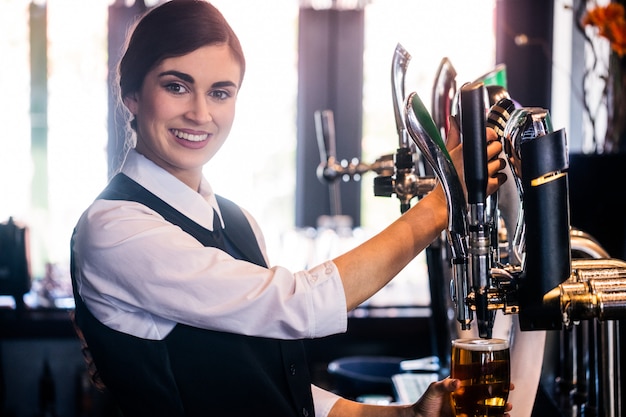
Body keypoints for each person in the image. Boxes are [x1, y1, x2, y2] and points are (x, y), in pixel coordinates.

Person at [70, 1, 510, 416]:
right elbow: (298, 307)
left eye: (220, 92)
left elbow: (277, 389)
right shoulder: (115, 226)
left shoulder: (236, 221)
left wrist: (409, 414)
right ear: (131, 94)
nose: (200, 113)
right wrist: (440, 205)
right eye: (176, 86)